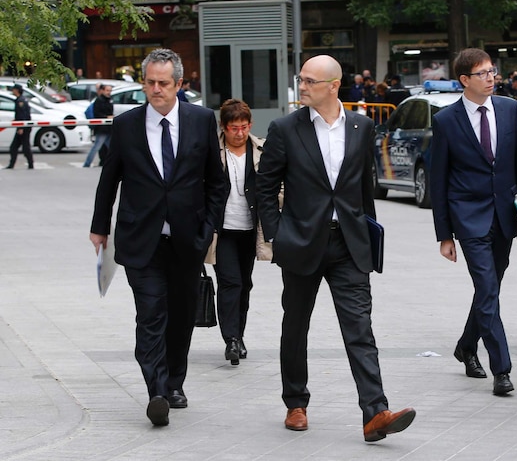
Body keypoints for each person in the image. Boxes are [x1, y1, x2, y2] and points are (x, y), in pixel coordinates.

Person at [256, 54, 415, 442]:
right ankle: (296, 402)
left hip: (348, 245)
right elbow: (263, 187)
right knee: (295, 327)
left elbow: (364, 190)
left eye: (311, 81)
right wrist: (277, 234)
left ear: (333, 86)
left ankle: (375, 413)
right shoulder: (284, 129)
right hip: (301, 244)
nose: (303, 86)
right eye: (301, 79)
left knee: (359, 328)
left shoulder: (361, 127)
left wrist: (369, 234)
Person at [89, 49, 227, 426]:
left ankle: (174, 382)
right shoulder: (127, 124)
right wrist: (100, 226)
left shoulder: (201, 120)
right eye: (149, 82)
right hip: (141, 238)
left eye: (163, 83)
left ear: (179, 85)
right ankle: (156, 391)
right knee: (151, 314)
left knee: (181, 315)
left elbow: (217, 181)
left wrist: (208, 226)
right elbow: (109, 179)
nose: (155, 89)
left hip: (187, 240)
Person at [430, 48, 517, 396]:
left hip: (505, 218)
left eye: (493, 71)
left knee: (487, 290)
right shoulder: (446, 120)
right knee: (489, 289)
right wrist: (444, 234)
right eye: (483, 73)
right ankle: (502, 370)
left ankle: (465, 346)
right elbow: (439, 180)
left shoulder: (509, 110)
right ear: (465, 80)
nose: (492, 78)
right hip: (469, 219)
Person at [205, 99, 269, 366]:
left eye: (244, 127)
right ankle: (231, 339)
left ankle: (238, 335)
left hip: (250, 230)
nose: (240, 133)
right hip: (223, 231)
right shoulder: (211, 152)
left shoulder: (261, 151)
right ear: (224, 127)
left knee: (244, 284)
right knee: (230, 283)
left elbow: (274, 186)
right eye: (234, 128)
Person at [82, 83, 114, 168]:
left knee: (112, 147)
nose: (109, 92)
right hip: (102, 128)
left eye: (110, 91)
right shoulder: (99, 100)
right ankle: (87, 163)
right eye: (107, 90)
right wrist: (107, 116)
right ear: (102, 91)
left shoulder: (110, 100)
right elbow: (97, 114)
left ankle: (116, 164)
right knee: (97, 146)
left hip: (109, 127)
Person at [6, 84, 34, 169]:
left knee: (24, 147)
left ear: (17, 90)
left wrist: (21, 127)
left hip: (23, 127)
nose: (12, 91)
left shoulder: (20, 101)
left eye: (13, 89)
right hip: (23, 126)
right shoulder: (21, 99)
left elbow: (23, 115)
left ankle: (30, 164)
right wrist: (16, 120)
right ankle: (12, 165)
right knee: (14, 147)